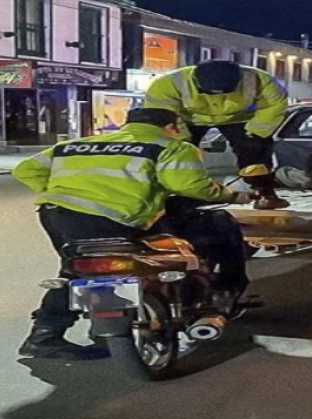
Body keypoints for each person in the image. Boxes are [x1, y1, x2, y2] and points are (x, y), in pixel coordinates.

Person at [12, 108, 252, 360]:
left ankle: (45, 335)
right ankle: (192, 298)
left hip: (57, 215)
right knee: (165, 253)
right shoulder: (171, 146)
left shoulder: (76, 144)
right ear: (171, 127)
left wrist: (62, 191)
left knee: (79, 272)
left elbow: (25, 170)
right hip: (113, 217)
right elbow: (190, 186)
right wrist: (233, 195)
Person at [144, 60, 290, 209]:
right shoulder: (167, 84)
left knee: (254, 152)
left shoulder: (261, 80)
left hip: (239, 118)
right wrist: (181, 138)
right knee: (179, 154)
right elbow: (164, 114)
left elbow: (274, 105)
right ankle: (183, 194)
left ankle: (264, 194)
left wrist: (256, 132)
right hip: (190, 119)